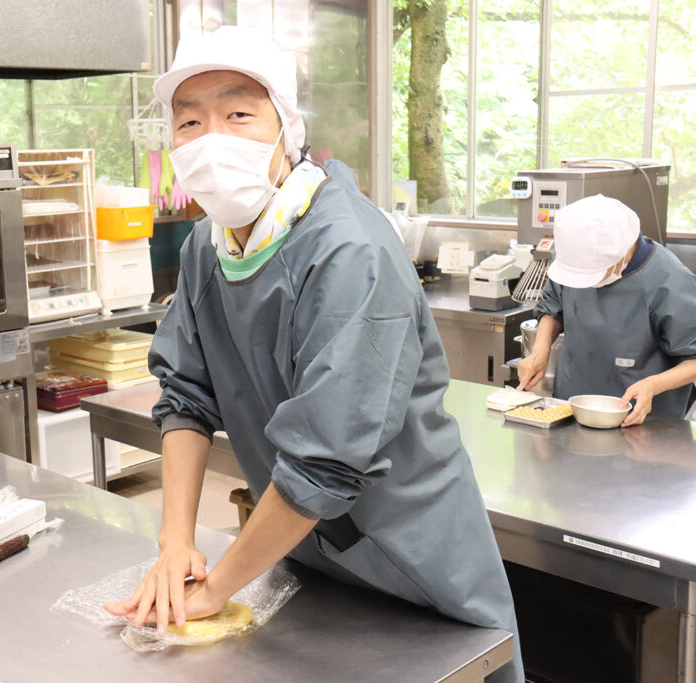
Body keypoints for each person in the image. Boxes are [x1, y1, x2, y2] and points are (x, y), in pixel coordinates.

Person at [104, 27, 524, 682]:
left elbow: (324, 462)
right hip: (302, 543)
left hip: (412, 558)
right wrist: (176, 540)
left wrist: (218, 588)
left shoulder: (347, 250)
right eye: (190, 120)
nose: (212, 137)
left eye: (239, 113)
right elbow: (184, 397)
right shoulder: (205, 249)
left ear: (286, 128)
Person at [517, 194, 696, 426]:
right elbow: (553, 302)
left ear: (622, 254)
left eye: (595, 275)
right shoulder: (576, 253)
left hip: (643, 428)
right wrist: (540, 349)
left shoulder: (668, 281)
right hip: (570, 413)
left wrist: (653, 385)